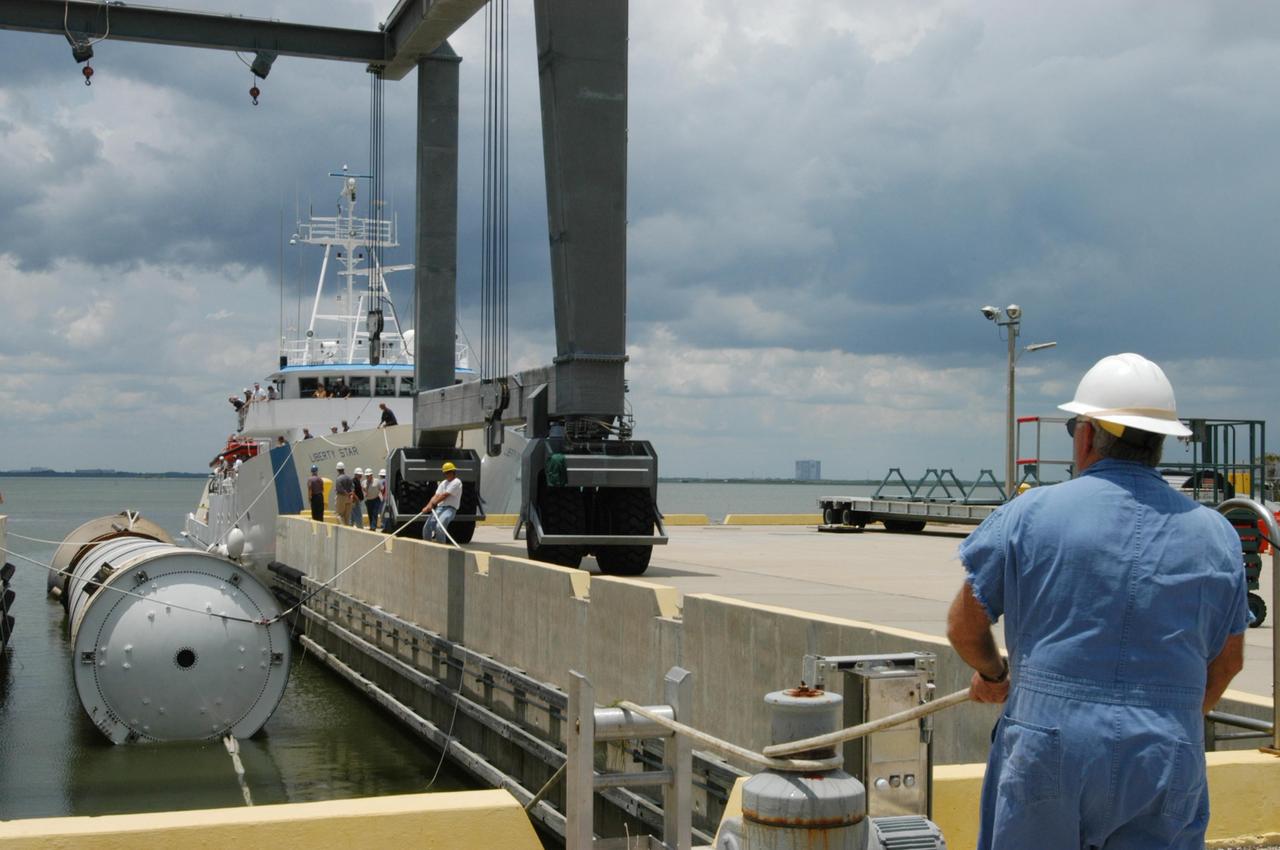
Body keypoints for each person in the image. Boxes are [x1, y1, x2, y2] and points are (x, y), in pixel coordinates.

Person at [946, 353, 1248, 850]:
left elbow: (964, 627)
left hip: (1050, 744)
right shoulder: (1217, 534)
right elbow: (1229, 661)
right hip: (1166, 749)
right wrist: (1170, 722)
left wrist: (996, 675)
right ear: (1158, 443)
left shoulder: (1029, 514)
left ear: (1086, 435)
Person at [421, 461, 462, 543]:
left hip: (450, 509)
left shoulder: (457, 482)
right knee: (427, 526)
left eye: (448, 472)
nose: (446, 474)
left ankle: (441, 547)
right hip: (439, 508)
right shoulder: (443, 483)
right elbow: (436, 496)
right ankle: (426, 545)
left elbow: (444, 495)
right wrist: (428, 505)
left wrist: (432, 504)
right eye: (445, 473)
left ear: (453, 472)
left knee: (440, 526)